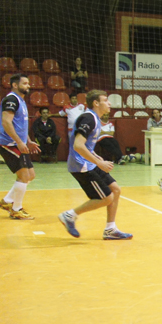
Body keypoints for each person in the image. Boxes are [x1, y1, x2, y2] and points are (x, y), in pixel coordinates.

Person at [57, 90, 132, 240]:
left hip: (89, 163)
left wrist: (98, 158)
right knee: (106, 198)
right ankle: (69, 215)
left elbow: (87, 146)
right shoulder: (88, 118)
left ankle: (110, 229)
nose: (109, 103)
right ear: (96, 103)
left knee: (115, 190)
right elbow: (78, 145)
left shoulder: (96, 119)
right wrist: (99, 162)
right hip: (81, 166)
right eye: (106, 100)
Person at [0, 74, 39, 220]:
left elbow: (20, 126)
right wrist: (19, 142)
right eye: (25, 83)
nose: (28, 86)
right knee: (24, 176)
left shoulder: (21, 101)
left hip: (18, 143)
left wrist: (27, 140)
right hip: (9, 143)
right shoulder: (11, 100)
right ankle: (16, 210)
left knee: (30, 175)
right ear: (15, 85)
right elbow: (6, 123)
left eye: (28, 83)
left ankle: (7, 201)